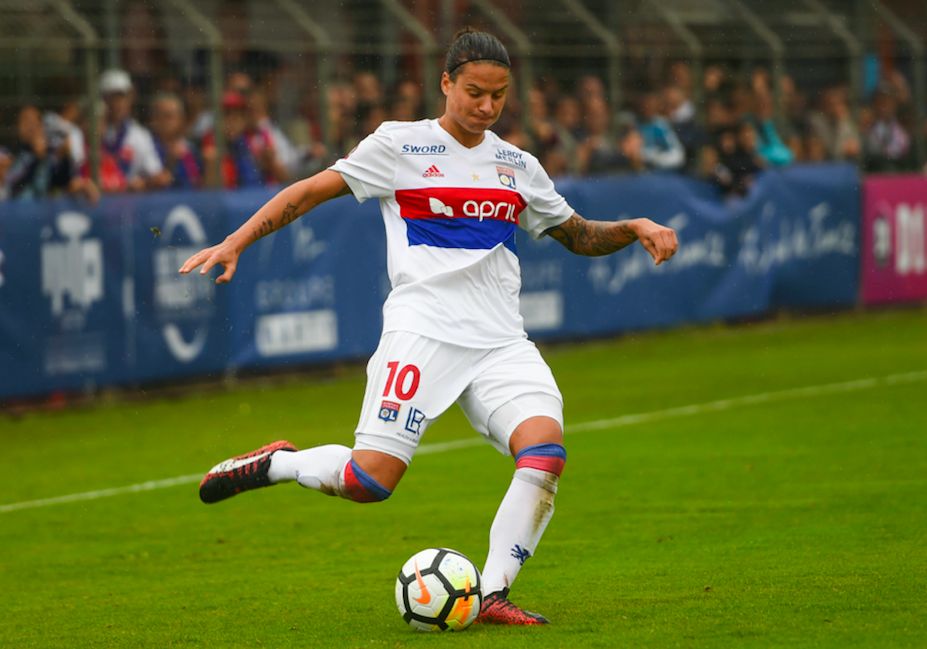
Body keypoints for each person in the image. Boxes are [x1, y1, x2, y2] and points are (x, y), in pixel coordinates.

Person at [179, 30, 678, 625]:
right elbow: (311, 191)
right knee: (370, 481)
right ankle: (280, 463)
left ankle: (492, 593)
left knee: (544, 452)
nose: (486, 107)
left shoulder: (518, 166)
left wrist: (634, 226)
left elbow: (580, 235)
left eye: (498, 95)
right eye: (474, 92)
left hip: (500, 342)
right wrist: (236, 241)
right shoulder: (400, 146)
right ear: (445, 83)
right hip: (423, 332)